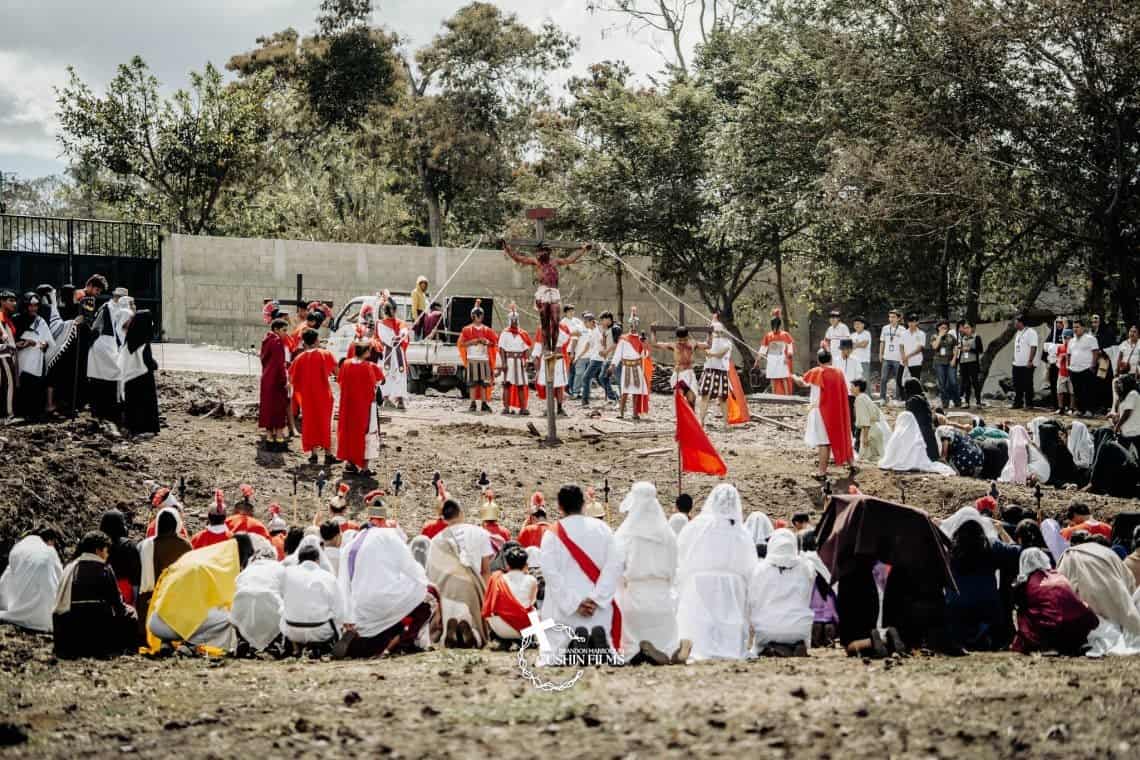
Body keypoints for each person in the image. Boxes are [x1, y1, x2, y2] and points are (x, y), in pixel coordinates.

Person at [540, 484, 624, 661]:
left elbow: (550, 574)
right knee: (600, 627)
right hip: (598, 612)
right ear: (584, 504)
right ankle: (598, 647)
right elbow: (614, 565)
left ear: (559, 506)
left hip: (564, 614)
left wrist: (574, 604)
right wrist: (596, 599)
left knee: (556, 644)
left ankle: (569, 647)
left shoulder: (551, 534)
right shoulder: (603, 529)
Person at [675, 484, 757, 661]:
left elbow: (681, 553)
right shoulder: (741, 531)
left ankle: (696, 647)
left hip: (698, 584)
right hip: (732, 587)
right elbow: (750, 566)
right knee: (728, 621)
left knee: (702, 623)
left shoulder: (696, 525)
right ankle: (727, 647)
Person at [335, 524, 436, 658]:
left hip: (360, 613)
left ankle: (369, 644)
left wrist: (348, 617)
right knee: (430, 595)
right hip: (383, 603)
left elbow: (343, 586)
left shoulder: (348, 547)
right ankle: (400, 644)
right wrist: (423, 581)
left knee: (377, 630)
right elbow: (411, 567)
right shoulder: (388, 535)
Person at [614, 482, 684, 665]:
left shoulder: (626, 533)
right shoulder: (667, 533)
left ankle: (636, 652)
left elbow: (616, 567)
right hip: (661, 599)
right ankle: (668, 651)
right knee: (667, 638)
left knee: (631, 639)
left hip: (635, 597)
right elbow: (674, 566)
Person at [145, 536, 254, 652]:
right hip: (176, 628)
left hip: (155, 622)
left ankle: (165, 642)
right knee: (229, 618)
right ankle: (190, 645)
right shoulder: (220, 569)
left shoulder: (194, 557)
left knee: (187, 606)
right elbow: (231, 602)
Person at [940, 509, 1021, 651]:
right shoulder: (991, 545)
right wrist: (1003, 533)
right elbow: (1018, 553)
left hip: (955, 607)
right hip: (987, 607)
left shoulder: (947, 549)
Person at [52, 531, 139, 658]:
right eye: (106, 550)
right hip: (100, 632)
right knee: (131, 612)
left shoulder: (70, 568)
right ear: (98, 550)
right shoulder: (105, 569)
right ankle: (127, 650)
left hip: (72, 629)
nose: (108, 554)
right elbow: (117, 604)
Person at [748, 528, 829, 657]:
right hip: (800, 627)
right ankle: (793, 645)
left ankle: (772, 647)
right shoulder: (805, 567)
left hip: (767, 628)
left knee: (763, 639)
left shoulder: (760, 569)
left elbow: (752, 600)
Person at [501, 240, 590, 354]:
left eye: (545, 251)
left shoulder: (554, 261)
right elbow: (519, 258)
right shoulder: (536, 261)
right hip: (543, 293)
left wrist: (582, 250)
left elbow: (570, 260)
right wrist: (507, 249)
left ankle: (554, 349)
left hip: (554, 291)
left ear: (549, 252)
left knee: (555, 321)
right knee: (545, 323)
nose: (542, 254)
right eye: (540, 251)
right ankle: (547, 349)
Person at [427, 499, 494, 648]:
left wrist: (438, 610)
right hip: (471, 594)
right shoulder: (481, 533)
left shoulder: (436, 541)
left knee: (443, 629)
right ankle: (473, 633)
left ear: (443, 519)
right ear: (462, 514)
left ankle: (448, 634)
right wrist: (485, 599)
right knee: (480, 631)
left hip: (448, 595)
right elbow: (485, 571)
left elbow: (433, 580)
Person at [1011, 548, 1098, 655]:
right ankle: (1077, 643)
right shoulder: (1058, 575)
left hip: (1051, 629)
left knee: (1022, 612)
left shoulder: (1024, 582)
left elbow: (1019, 604)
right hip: (1080, 624)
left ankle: (1045, 646)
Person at [797, 350, 854, 478]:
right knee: (842, 436)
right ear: (831, 360)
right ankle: (852, 465)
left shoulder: (817, 371)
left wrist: (792, 376)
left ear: (818, 361)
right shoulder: (839, 373)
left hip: (821, 412)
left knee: (824, 443)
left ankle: (822, 473)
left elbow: (801, 383)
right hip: (837, 412)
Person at [136, 507, 192, 638]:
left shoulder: (145, 546)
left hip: (150, 601)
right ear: (177, 524)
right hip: (177, 600)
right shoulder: (185, 546)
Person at [280, 543, 345, 655]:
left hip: (291, 629)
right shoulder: (328, 577)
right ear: (318, 560)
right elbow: (339, 610)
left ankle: (295, 647)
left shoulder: (287, 573)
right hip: (320, 631)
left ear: (299, 559)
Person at [289, 328, 338, 465]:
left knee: (310, 423)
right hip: (323, 395)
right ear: (316, 340)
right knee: (325, 424)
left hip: (307, 397)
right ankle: (328, 454)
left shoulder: (299, 358)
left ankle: (314, 454)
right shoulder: (325, 354)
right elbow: (337, 372)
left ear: (304, 342)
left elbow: (291, 378)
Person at [335, 340, 385, 476]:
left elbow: (340, 381)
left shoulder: (345, 364)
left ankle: (350, 463)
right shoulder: (368, 366)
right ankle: (364, 467)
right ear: (365, 352)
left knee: (349, 433)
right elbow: (376, 383)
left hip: (348, 406)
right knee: (367, 434)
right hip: (364, 406)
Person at [0, 526, 63, 632]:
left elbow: (5, 582)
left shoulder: (19, 547)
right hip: (47, 620)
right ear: (50, 541)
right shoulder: (50, 551)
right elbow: (61, 580)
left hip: (17, 614)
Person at [482, 545, 538, 644]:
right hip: (522, 629)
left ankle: (504, 640)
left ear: (507, 565)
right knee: (538, 612)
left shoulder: (497, 578)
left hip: (498, 628)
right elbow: (532, 602)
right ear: (526, 564)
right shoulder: (531, 580)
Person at [13, 292, 55, 420]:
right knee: (21, 385)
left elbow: (48, 341)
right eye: (30, 305)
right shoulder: (16, 319)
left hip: (35, 358)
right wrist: (21, 344)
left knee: (35, 385)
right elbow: (10, 341)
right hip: (20, 358)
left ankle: (35, 413)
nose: (33, 308)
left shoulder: (40, 320)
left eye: (36, 305)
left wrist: (40, 344)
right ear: (25, 305)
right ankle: (20, 413)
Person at [118, 309, 160, 436]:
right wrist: (154, 364)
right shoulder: (143, 341)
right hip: (142, 377)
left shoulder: (130, 339)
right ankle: (146, 428)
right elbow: (148, 361)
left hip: (130, 378)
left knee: (133, 405)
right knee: (145, 405)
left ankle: (132, 427)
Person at [85, 292, 125, 421]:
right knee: (113, 375)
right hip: (104, 345)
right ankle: (107, 412)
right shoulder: (109, 308)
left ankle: (102, 412)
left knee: (104, 379)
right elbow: (98, 327)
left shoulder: (110, 307)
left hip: (105, 345)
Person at [878, 412, 955, 475]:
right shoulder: (917, 438)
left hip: (896, 463)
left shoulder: (895, 437)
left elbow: (889, 454)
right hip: (917, 463)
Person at [609, 308, 651, 420]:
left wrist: (645, 344)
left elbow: (645, 354)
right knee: (625, 391)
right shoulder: (624, 338)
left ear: (637, 325)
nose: (633, 326)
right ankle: (621, 413)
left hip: (637, 367)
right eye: (631, 324)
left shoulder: (641, 339)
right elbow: (618, 354)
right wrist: (612, 365)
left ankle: (635, 413)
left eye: (635, 324)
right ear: (629, 325)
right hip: (626, 367)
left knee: (636, 392)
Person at [457, 300, 496, 413]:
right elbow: (461, 344)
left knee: (484, 383)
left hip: (484, 359)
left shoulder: (487, 330)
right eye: (477, 315)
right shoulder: (466, 330)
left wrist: (487, 342)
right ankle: (473, 403)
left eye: (480, 315)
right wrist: (472, 342)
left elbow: (494, 343)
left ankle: (484, 403)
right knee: (473, 383)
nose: (479, 317)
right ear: (473, 316)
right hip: (472, 358)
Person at [259, 317, 291, 451]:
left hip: (266, 378)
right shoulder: (277, 342)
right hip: (276, 380)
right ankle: (278, 437)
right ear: (276, 329)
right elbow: (280, 365)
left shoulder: (266, 340)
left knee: (267, 407)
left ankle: (268, 437)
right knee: (278, 408)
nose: (286, 333)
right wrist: (285, 380)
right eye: (284, 330)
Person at [98, 510, 140, 609]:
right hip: (124, 592)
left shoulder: (97, 545)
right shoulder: (129, 545)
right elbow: (136, 576)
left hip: (101, 591)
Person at [697, 319, 735, 427]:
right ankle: (701, 422)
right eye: (715, 332)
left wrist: (711, 354)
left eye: (718, 332)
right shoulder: (708, 341)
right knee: (705, 396)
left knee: (722, 398)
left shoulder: (727, 342)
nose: (717, 334)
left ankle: (725, 423)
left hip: (721, 372)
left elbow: (720, 354)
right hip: (709, 370)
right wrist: (706, 351)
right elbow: (704, 349)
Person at [376, 297, 410, 411]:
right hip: (390, 352)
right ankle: (393, 399)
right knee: (394, 375)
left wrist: (399, 337)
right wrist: (398, 338)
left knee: (389, 375)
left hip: (391, 352)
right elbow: (402, 335)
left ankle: (392, 399)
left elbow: (403, 333)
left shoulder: (382, 324)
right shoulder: (381, 324)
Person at [497, 306, 533, 415]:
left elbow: (526, 349)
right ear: (509, 321)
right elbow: (501, 348)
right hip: (509, 361)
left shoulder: (523, 333)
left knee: (521, 385)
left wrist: (526, 360)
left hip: (520, 362)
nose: (514, 322)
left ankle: (523, 408)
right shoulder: (505, 333)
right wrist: (503, 362)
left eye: (516, 320)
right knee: (507, 384)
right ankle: (506, 407)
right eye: (512, 320)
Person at [532, 317, 571, 416]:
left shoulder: (563, 328)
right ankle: (549, 407)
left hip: (558, 358)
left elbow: (565, 339)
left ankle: (559, 408)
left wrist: (555, 327)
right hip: (547, 357)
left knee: (559, 385)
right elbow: (538, 344)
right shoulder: (541, 328)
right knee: (548, 384)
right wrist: (536, 357)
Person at [650, 327, 698, 407]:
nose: (682, 342)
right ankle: (680, 418)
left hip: (689, 374)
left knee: (691, 399)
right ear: (677, 338)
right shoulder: (673, 345)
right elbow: (655, 344)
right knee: (679, 397)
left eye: (684, 340)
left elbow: (708, 345)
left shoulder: (693, 344)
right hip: (678, 374)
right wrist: (653, 331)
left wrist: (710, 333)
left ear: (687, 337)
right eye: (680, 340)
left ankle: (691, 418)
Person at [758, 308, 795, 396]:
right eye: (773, 326)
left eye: (776, 326)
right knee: (772, 377)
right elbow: (764, 347)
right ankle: (774, 395)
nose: (774, 328)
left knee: (783, 377)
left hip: (781, 357)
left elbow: (790, 345)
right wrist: (759, 358)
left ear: (779, 325)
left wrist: (789, 355)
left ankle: (787, 395)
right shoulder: (769, 335)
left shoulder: (785, 334)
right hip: (771, 358)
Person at [1067, 319, 1100, 417]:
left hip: (1086, 368)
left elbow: (1095, 352)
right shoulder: (1071, 341)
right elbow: (1068, 354)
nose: (1075, 329)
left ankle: (1089, 410)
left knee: (1088, 391)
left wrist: (1093, 365)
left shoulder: (1090, 338)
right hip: (1074, 369)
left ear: (1083, 328)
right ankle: (1080, 410)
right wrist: (1068, 366)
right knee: (1077, 391)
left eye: (1077, 327)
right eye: (1073, 327)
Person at [852, 379, 888, 464]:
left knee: (868, 458)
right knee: (877, 456)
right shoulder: (865, 397)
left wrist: (865, 437)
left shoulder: (860, 399)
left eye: (852, 387)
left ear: (857, 387)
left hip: (869, 432)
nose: (850, 389)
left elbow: (865, 420)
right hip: (875, 429)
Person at [1010, 315, 1038, 409]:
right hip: (1017, 363)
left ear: (1021, 323)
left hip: (1027, 363)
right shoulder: (1018, 332)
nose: (1014, 324)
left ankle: (1029, 403)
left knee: (1027, 384)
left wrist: (1030, 360)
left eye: (1016, 322)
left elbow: (1033, 347)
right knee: (1017, 384)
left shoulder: (1031, 332)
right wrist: (1014, 358)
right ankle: (1018, 403)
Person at [931, 319, 960, 409]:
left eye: (946, 328)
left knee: (953, 382)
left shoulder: (951, 337)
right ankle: (945, 402)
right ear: (938, 328)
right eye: (942, 327)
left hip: (950, 362)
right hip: (939, 363)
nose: (944, 329)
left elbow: (956, 348)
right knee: (942, 383)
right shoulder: (934, 336)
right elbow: (935, 347)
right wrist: (940, 336)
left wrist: (954, 359)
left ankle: (957, 400)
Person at [0, 291, 19, 420]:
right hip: (3, 353)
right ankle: (9, 415)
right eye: (10, 300)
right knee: (9, 383)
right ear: (2, 301)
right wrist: (2, 333)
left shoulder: (8, 318)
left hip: (8, 353)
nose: (14, 303)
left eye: (14, 300)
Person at [957, 321, 984, 408]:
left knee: (975, 382)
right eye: (964, 328)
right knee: (966, 383)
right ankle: (967, 402)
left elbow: (980, 350)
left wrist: (969, 349)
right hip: (963, 362)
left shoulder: (977, 337)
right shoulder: (962, 338)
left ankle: (978, 402)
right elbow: (960, 351)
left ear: (972, 328)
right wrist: (960, 349)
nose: (966, 329)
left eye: (967, 327)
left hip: (973, 362)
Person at [1110, 373, 1140, 450]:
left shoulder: (1133, 394)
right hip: (1126, 432)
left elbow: (1127, 413)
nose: (1119, 385)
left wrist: (1117, 426)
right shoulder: (1126, 396)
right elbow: (1122, 413)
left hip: (1133, 432)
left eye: (1120, 383)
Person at [899, 313, 927, 389]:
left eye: (914, 322)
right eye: (910, 322)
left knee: (915, 381)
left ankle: (916, 398)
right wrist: (903, 357)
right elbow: (901, 346)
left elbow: (919, 348)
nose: (911, 324)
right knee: (902, 381)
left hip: (916, 361)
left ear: (917, 322)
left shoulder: (921, 334)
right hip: (904, 362)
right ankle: (905, 398)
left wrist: (907, 356)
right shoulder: (903, 333)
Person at [1054, 328, 1074, 414]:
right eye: (1064, 337)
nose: (1066, 339)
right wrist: (1061, 357)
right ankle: (1061, 407)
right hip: (1062, 372)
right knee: (1059, 391)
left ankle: (1072, 408)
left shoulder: (1074, 347)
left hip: (1071, 372)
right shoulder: (1060, 347)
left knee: (1072, 392)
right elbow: (1057, 360)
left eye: (1068, 337)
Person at [850, 316, 872, 387]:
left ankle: (867, 397)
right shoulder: (852, 335)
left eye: (858, 324)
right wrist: (859, 344)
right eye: (855, 324)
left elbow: (864, 345)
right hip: (853, 361)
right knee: (854, 380)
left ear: (863, 324)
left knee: (865, 380)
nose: (856, 326)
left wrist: (855, 345)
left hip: (864, 361)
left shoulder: (867, 333)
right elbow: (850, 347)